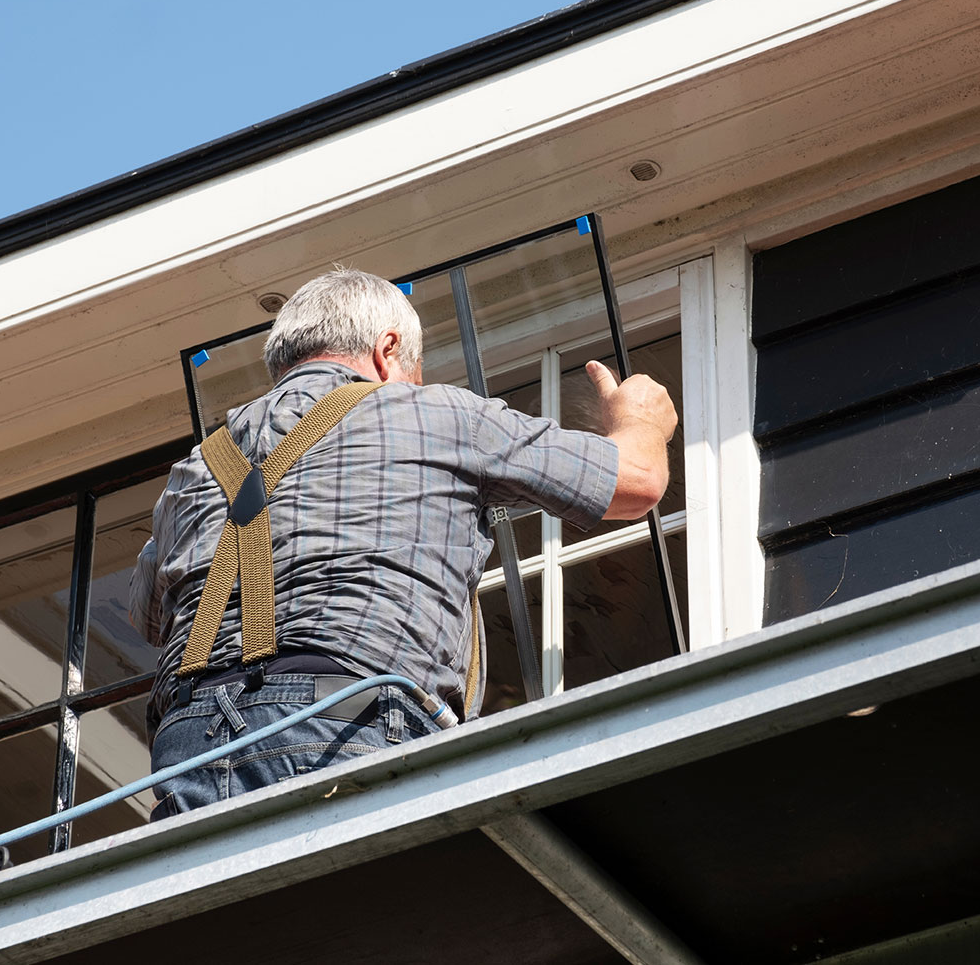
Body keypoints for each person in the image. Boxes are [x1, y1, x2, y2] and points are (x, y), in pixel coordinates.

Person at [129, 267, 677, 818]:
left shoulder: (194, 469)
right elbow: (637, 481)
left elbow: (148, 616)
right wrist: (640, 419)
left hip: (188, 745)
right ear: (387, 349)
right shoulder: (438, 414)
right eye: (414, 373)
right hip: (347, 724)